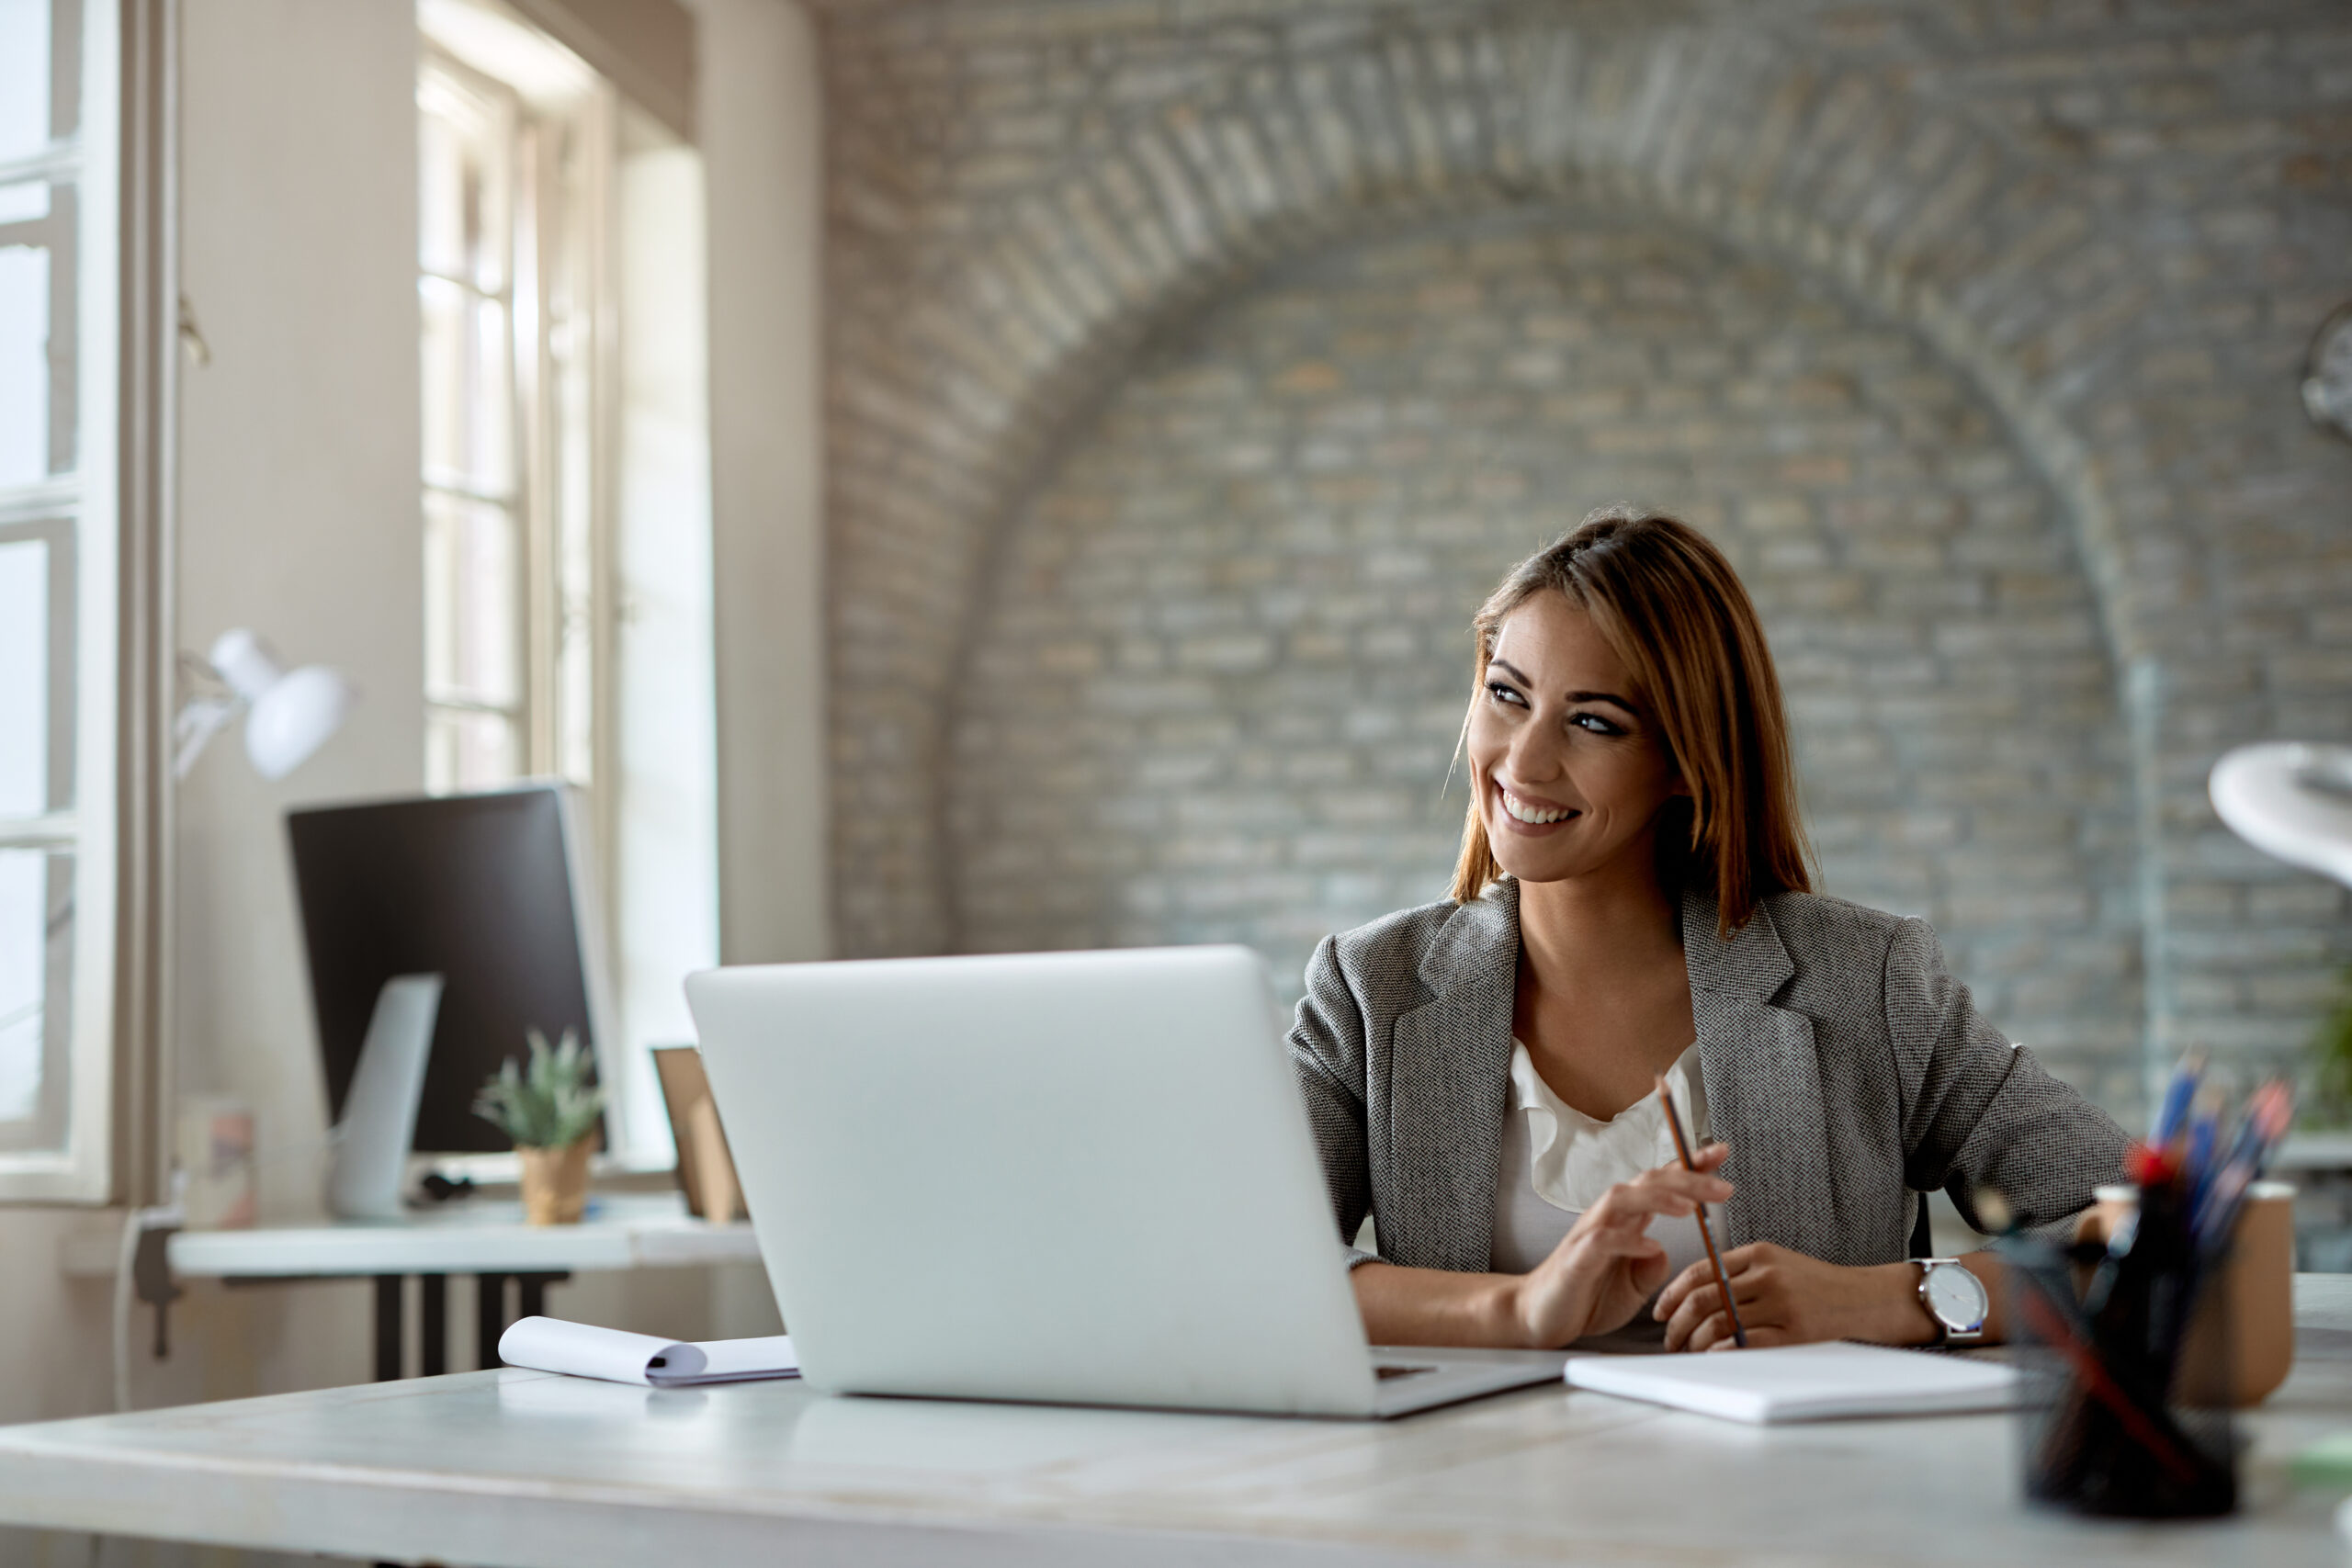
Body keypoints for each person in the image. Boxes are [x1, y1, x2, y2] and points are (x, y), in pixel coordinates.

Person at [1288, 507, 2128, 1352]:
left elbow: (2139, 1227)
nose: (1524, 759)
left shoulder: (1867, 983)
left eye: (1593, 721)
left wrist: (1894, 1300)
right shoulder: (1368, 990)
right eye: (1507, 694)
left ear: (1689, 762)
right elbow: (1245, 1264)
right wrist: (1515, 1309)